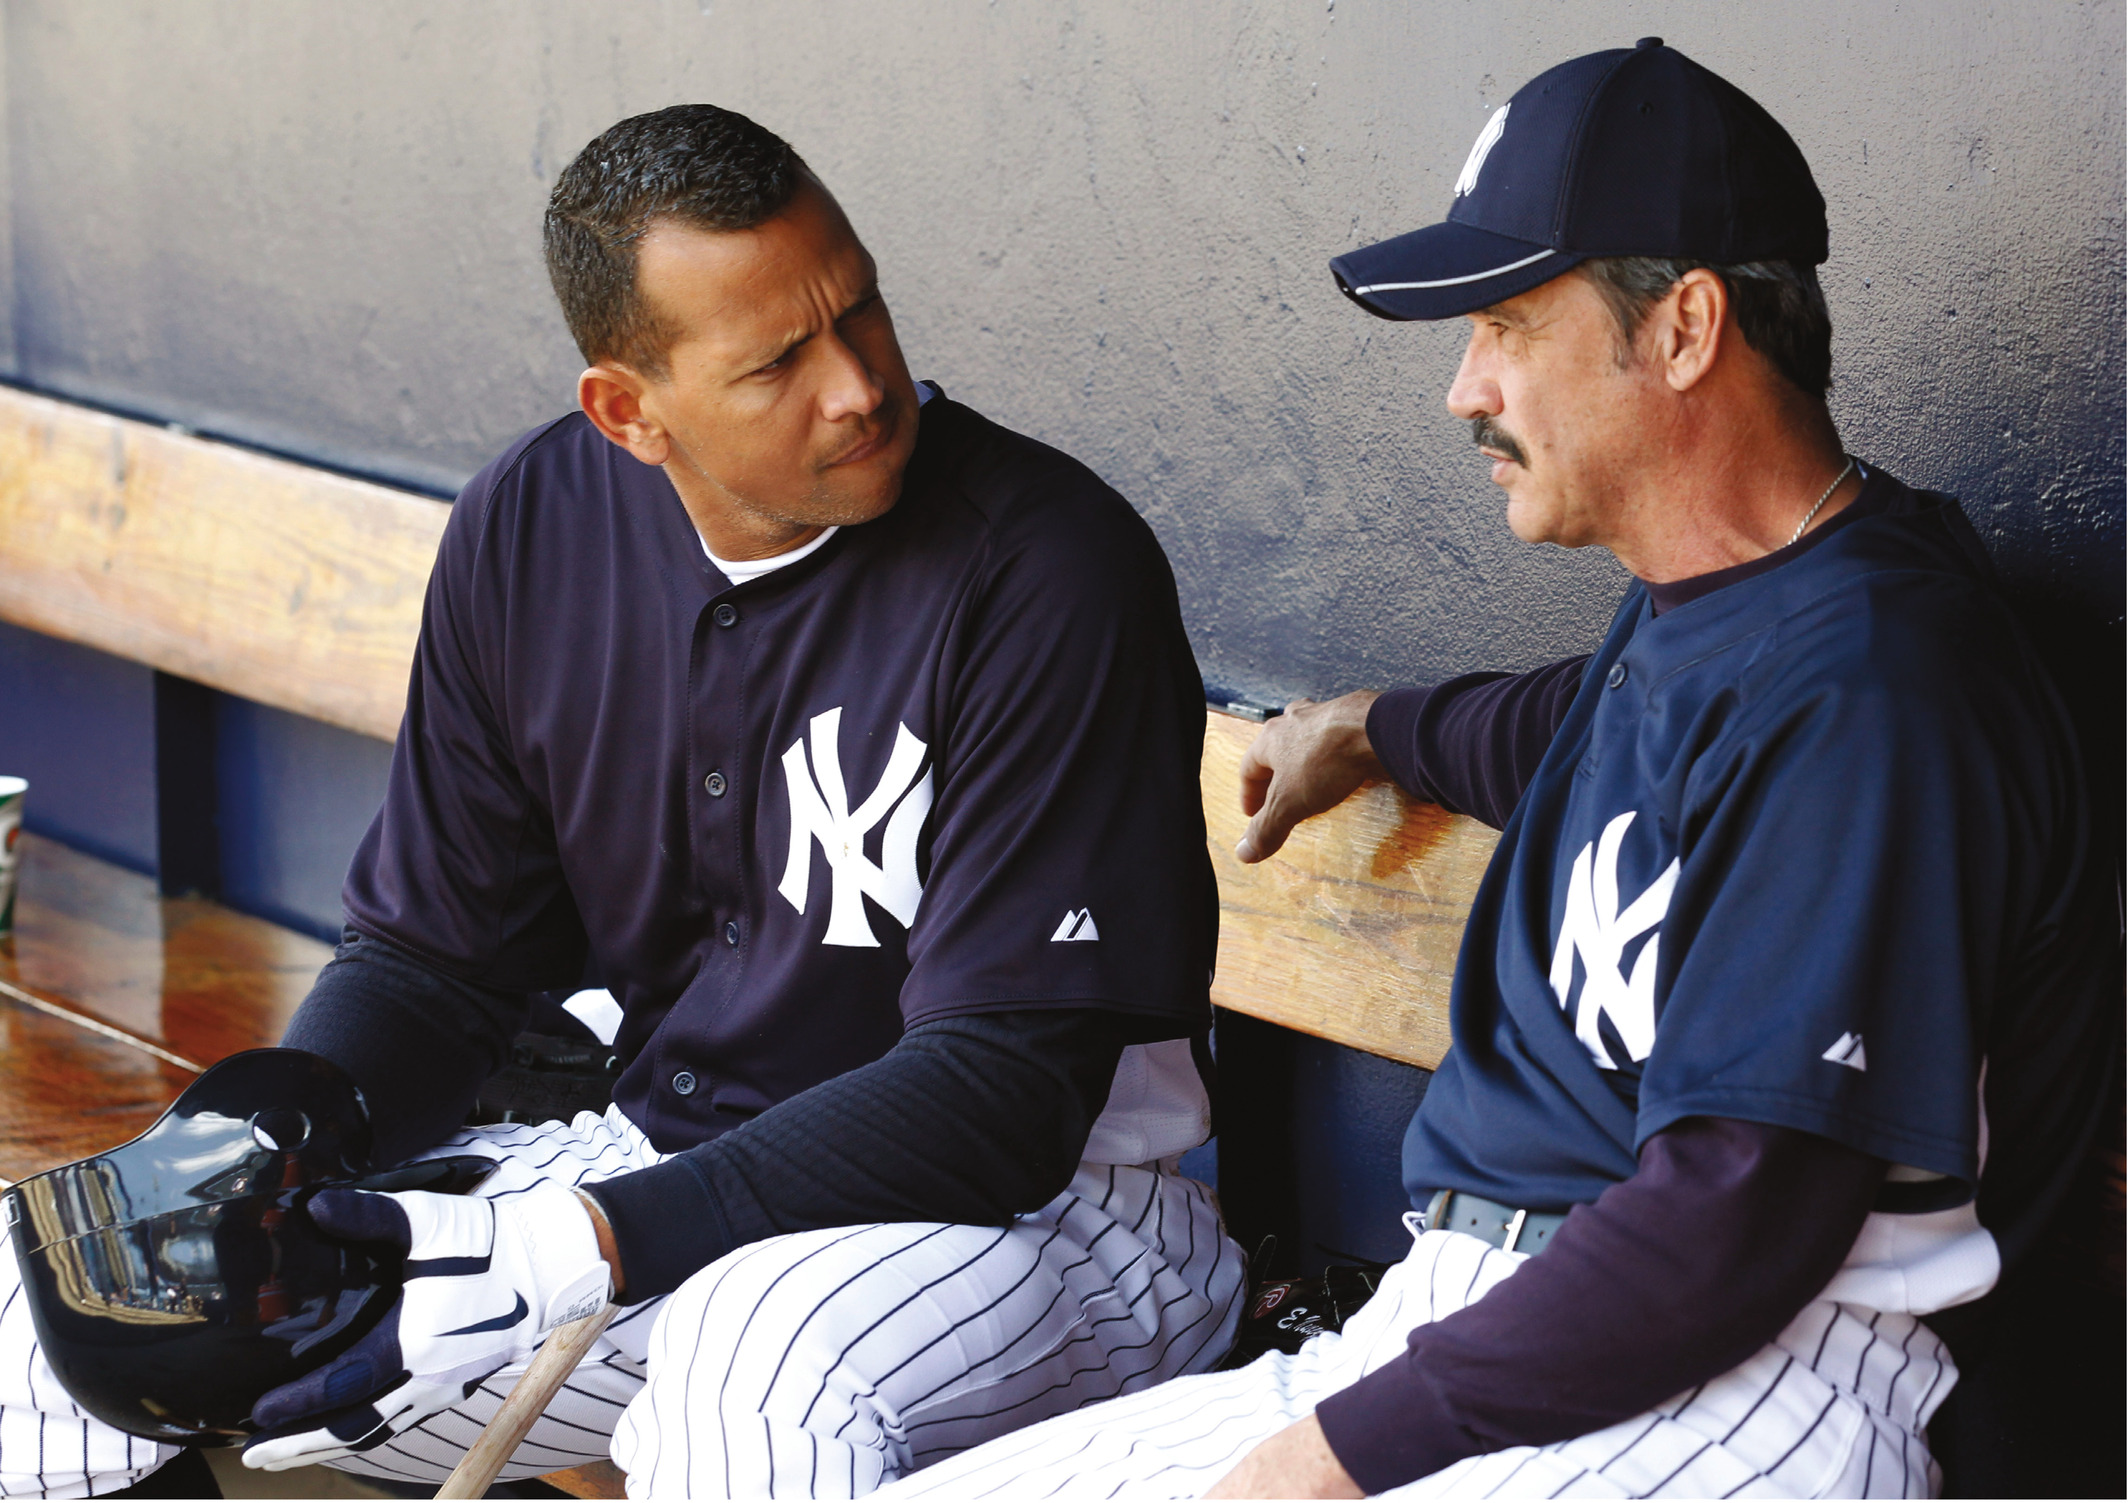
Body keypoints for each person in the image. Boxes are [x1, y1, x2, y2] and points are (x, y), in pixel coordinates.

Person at [874, 38, 2117, 1500]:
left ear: (1685, 329)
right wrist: (1359, 727)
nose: (1465, 386)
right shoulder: (1711, 609)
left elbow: (1740, 1222)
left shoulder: (1876, 692)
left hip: (1734, 1382)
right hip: (1486, 1342)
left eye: (1511, 323)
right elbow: (1564, 733)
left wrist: (1329, 1463)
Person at [0, 104, 1243, 1499]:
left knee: (754, 1359)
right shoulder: (539, 524)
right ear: (627, 410)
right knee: (36, 1323)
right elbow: (434, 961)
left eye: (862, 310)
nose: (856, 385)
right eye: (778, 362)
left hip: (1052, 1224)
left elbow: (1005, 1101)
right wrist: (296, 1119)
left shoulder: (1045, 566)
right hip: (664, 1177)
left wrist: (574, 1245)